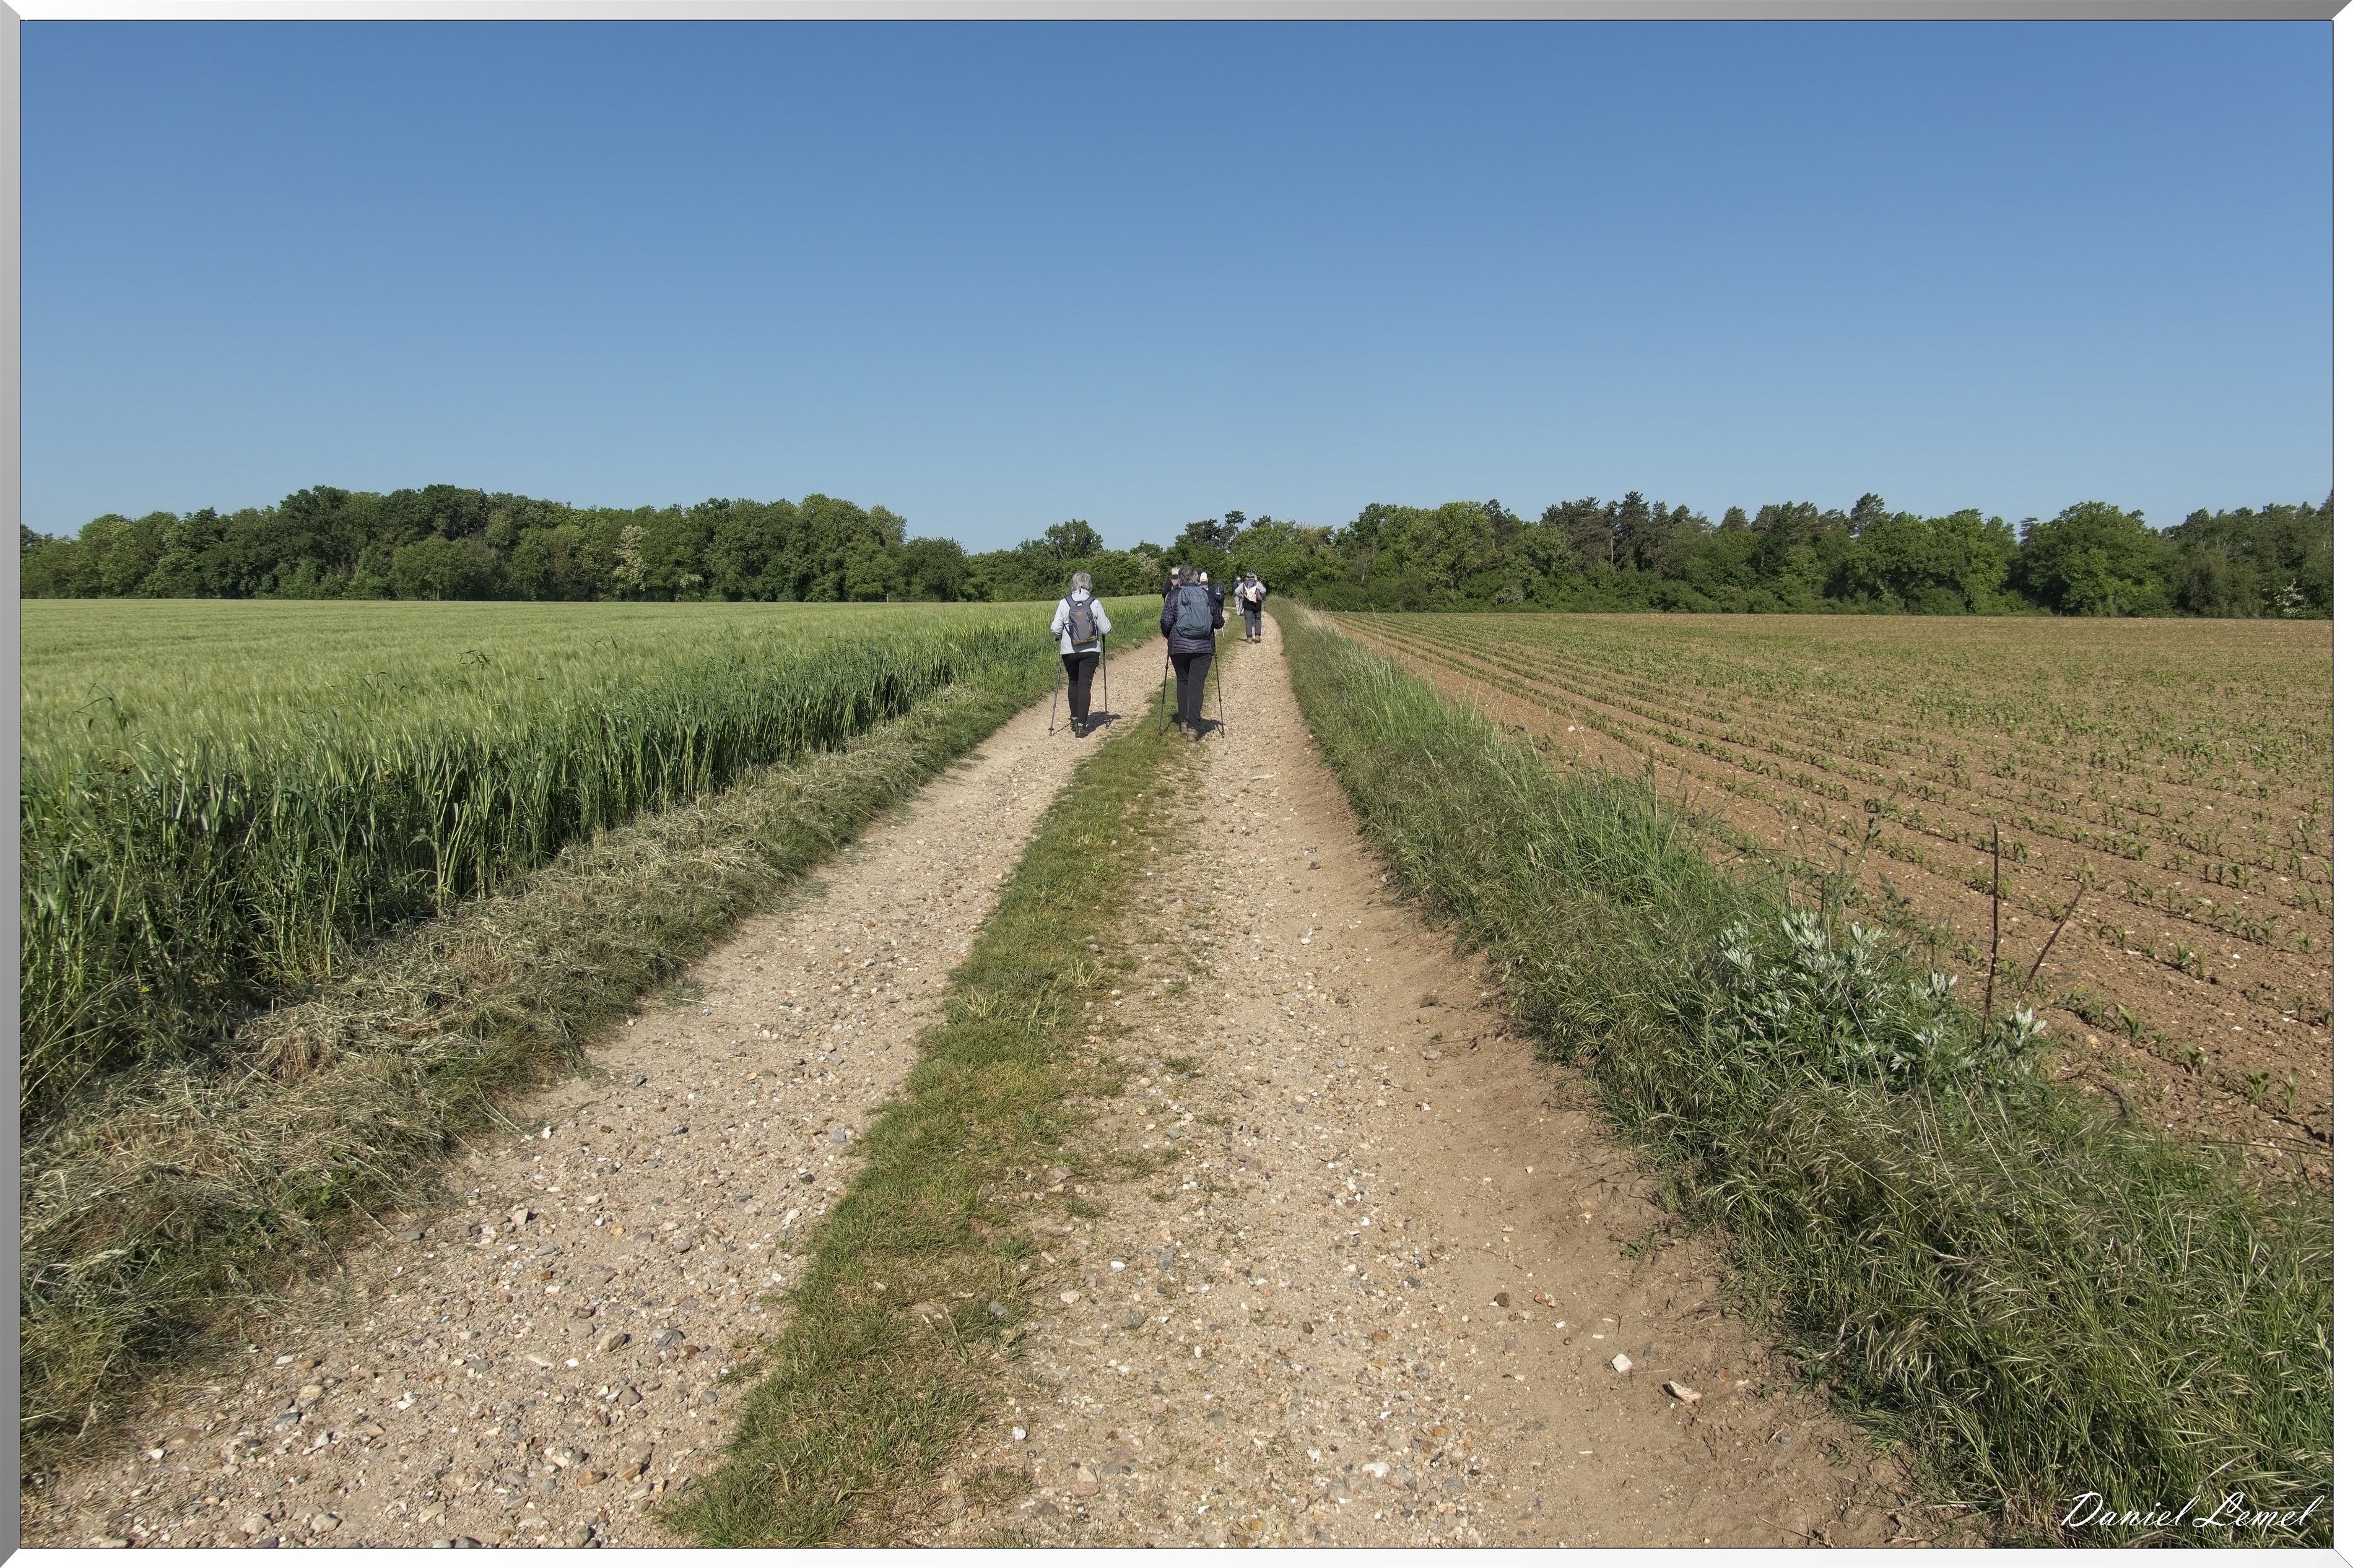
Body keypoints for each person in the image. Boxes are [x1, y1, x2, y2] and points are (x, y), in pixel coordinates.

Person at [1160, 564, 1224, 740]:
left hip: (1179, 647)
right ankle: (1193, 728)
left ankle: (1183, 722)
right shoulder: (1206, 594)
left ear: (1180, 579)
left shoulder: (1174, 595)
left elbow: (1166, 621)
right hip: (1203, 647)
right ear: (1196, 578)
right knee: (1197, 685)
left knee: (1183, 681)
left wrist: (1168, 635)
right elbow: (1218, 622)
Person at [1050, 571, 1111, 735]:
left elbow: (1055, 629)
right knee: (1085, 684)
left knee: (1073, 682)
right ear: (1088, 585)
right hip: (1091, 650)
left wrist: (1060, 637)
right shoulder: (1094, 603)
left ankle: (1075, 718)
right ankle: (1081, 726)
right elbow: (1106, 629)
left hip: (1069, 650)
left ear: (1073, 584)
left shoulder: (1064, 603)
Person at [1238, 572, 1268, 641]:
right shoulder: (1258, 583)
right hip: (1257, 603)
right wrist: (1261, 596)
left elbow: (1236, 592)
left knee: (1248, 620)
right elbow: (1264, 591)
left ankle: (1249, 638)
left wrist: (1242, 596)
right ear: (1254, 577)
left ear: (1247, 577)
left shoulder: (1243, 584)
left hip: (1247, 603)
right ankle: (1257, 636)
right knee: (1258, 618)